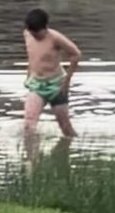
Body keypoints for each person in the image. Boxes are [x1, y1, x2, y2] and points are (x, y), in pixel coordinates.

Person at [22, 8, 81, 137]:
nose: (35, 36)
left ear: (45, 28)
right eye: (32, 33)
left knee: (65, 128)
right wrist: (28, 76)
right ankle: (31, 157)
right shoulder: (27, 34)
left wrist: (66, 82)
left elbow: (76, 54)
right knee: (28, 125)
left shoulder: (55, 38)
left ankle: (72, 150)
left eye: (38, 33)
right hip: (37, 84)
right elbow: (32, 56)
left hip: (56, 85)